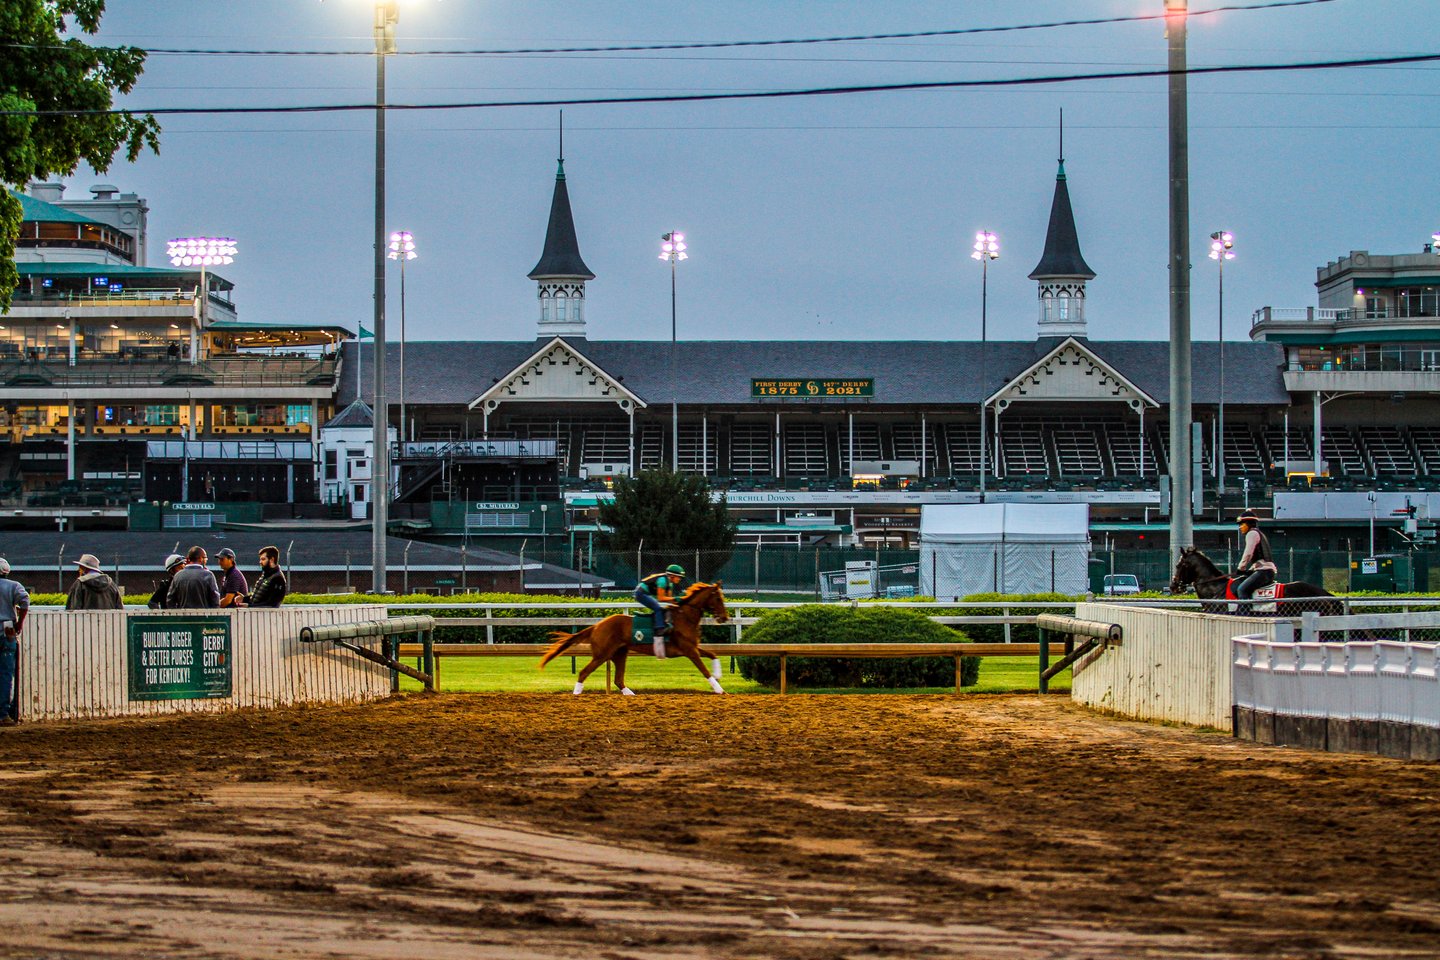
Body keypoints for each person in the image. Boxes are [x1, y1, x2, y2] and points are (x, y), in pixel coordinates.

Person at [634, 564, 687, 660]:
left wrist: (678, 603)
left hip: (647, 593)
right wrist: (676, 598)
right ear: (672, 576)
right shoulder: (662, 581)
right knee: (657, 608)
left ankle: (666, 624)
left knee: (667, 608)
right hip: (640, 593)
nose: (679, 579)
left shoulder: (670, 583)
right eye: (679, 577)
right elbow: (661, 598)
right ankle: (659, 629)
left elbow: (669, 600)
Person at [0, 559, 29, 725]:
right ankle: (3, 713)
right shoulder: (13, 586)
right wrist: (20, 623)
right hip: (7, 630)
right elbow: (25, 601)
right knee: (5, 674)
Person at [1234, 513, 1278, 604]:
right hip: (1266, 571)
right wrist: (1251, 570)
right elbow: (1259, 559)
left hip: (1264, 572)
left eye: (1242, 524)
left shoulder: (1252, 533)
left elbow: (1248, 554)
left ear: (1249, 524)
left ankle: (1244, 614)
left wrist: (1241, 568)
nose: (1240, 527)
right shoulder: (1258, 533)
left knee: (1242, 590)